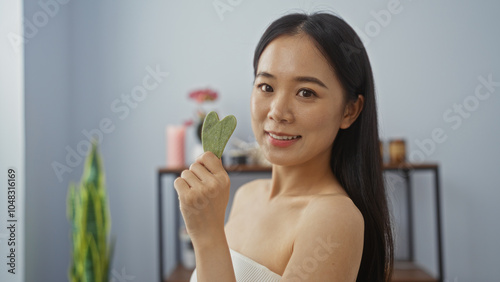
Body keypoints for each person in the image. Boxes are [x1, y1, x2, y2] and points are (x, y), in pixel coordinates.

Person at [174, 12, 393, 282]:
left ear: (350, 110)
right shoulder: (246, 195)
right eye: (266, 86)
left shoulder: (334, 218)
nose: (278, 112)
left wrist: (208, 238)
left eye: (306, 92)